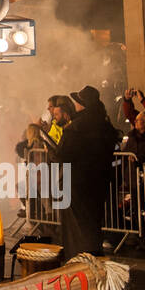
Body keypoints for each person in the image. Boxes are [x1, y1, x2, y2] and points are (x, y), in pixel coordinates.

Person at [55, 85, 121, 258]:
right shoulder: (104, 125)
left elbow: (63, 154)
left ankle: (79, 258)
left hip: (77, 182)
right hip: (99, 181)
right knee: (93, 221)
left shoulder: (75, 128)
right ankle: (94, 255)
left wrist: (52, 151)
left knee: (77, 225)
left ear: (83, 104)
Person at [15, 94, 74, 159]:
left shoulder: (72, 128)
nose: (48, 109)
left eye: (51, 106)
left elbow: (60, 153)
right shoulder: (55, 124)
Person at [121, 88, 145, 172]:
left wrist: (143, 100)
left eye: (138, 120)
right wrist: (127, 100)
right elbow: (129, 113)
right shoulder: (134, 134)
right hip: (132, 175)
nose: (134, 121)